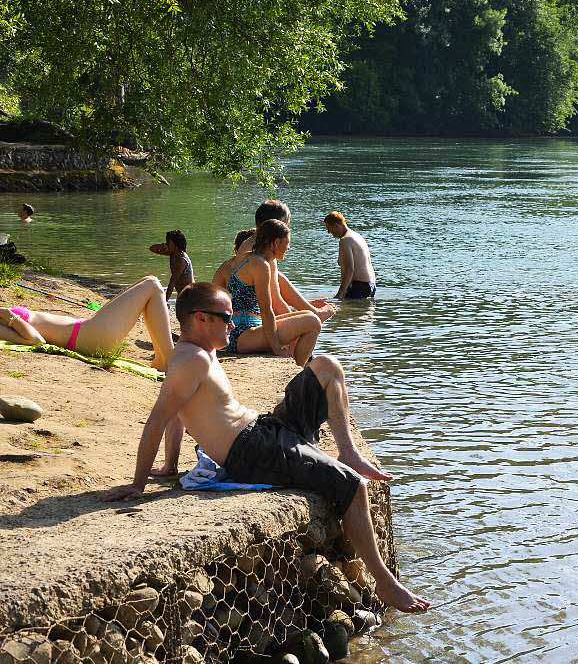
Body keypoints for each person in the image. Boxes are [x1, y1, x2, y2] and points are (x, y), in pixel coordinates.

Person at [100, 282, 430, 613]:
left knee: (327, 366)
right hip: (253, 451)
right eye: (226, 317)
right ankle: (385, 583)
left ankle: (349, 451)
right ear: (201, 319)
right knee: (352, 485)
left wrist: (171, 465)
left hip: (265, 429)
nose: (233, 323)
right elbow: (160, 418)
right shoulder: (189, 361)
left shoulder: (205, 350)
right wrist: (138, 483)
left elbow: (178, 416)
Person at [0, 275, 175, 370]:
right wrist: (8, 314)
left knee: (148, 280)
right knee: (152, 285)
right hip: (89, 338)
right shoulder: (4, 318)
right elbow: (35, 340)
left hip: (87, 329)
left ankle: (162, 359)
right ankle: (171, 361)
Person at [219, 219, 322, 366]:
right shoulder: (260, 265)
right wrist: (276, 348)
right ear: (275, 243)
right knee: (313, 322)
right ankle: (297, 372)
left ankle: (299, 363)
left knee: (309, 315)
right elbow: (266, 310)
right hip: (241, 334)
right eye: (287, 242)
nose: (289, 247)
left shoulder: (254, 259)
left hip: (247, 329)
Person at [220, 199, 334, 321]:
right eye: (287, 224)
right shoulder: (264, 254)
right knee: (311, 321)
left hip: (234, 316)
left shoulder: (247, 244)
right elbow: (275, 303)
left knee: (279, 278)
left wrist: (301, 309)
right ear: (278, 224)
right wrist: (301, 319)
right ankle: (315, 313)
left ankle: (310, 310)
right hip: (245, 323)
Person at [324, 211, 377, 299]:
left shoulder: (345, 240)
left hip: (358, 286)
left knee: (346, 312)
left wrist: (340, 293)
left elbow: (349, 269)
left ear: (336, 225)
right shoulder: (357, 236)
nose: (329, 232)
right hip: (370, 285)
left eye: (329, 228)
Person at [148, 230, 194, 301]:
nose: (166, 244)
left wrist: (165, 301)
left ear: (174, 244)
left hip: (189, 295)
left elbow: (172, 283)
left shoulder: (181, 260)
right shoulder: (173, 254)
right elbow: (152, 248)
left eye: (168, 242)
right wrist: (162, 246)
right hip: (182, 294)